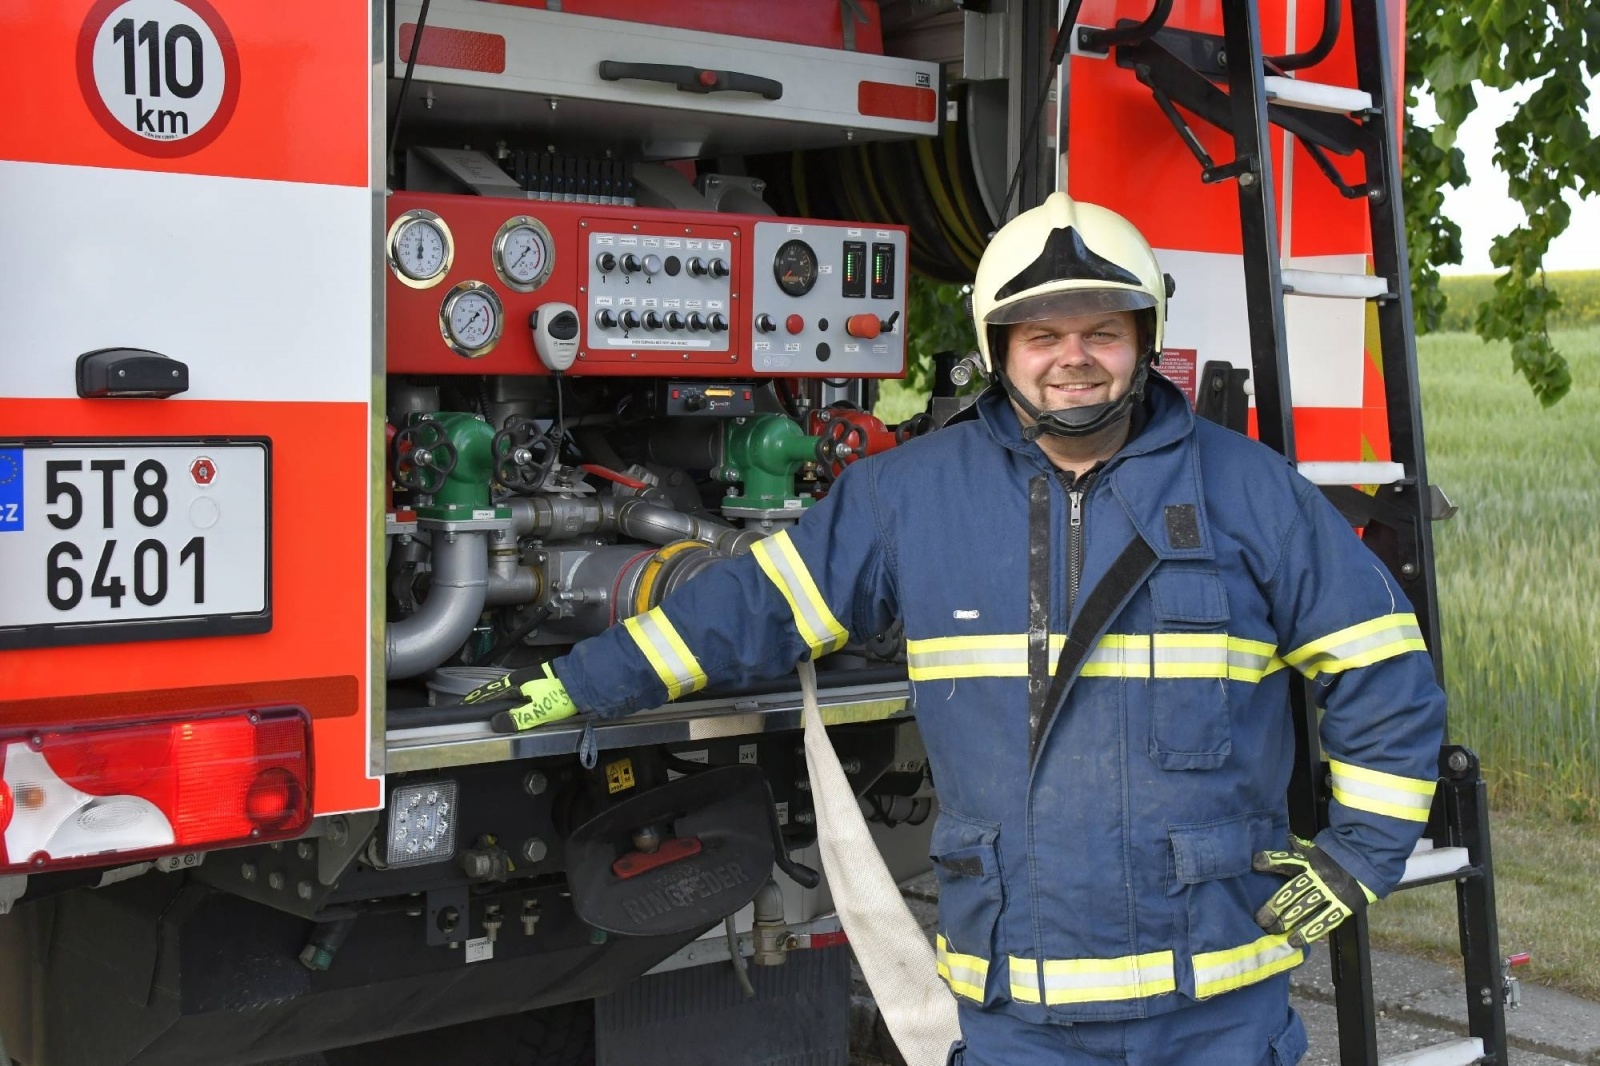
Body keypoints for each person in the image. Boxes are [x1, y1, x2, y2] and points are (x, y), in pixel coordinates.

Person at [463, 193, 1447, 1065]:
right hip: (1019, 1003)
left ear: (1142, 340)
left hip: (1217, 1004)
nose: (1074, 359)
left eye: (1101, 332)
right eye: (1041, 336)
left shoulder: (1247, 490)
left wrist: (1360, 853)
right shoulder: (906, 497)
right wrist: (571, 684)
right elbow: (746, 611)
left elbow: (1381, 668)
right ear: (996, 349)